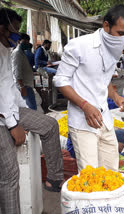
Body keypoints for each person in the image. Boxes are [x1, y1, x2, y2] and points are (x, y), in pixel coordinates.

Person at [53, 4, 124, 172]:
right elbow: (60, 80)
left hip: (105, 120)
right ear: (106, 26)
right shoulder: (78, 46)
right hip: (82, 124)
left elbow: (103, 80)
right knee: (91, 177)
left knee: (112, 173)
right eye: (120, 33)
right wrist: (85, 105)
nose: (123, 39)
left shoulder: (115, 49)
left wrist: (116, 97)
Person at [0, 8, 64, 214]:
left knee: (50, 125)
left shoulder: (6, 50)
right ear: (2, 29)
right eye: (14, 30)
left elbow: (9, 87)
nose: (18, 36)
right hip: (2, 118)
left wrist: (26, 113)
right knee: (10, 175)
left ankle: (54, 179)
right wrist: (13, 125)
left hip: (12, 109)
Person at [67, 88, 124, 158]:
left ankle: (114, 154)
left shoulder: (97, 101)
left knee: (121, 135)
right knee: (123, 157)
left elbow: (114, 102)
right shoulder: (80, 109)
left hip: (97, 136)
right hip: (83, 146)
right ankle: (114, 155)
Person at [11, 33, 37, 110]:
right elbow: (17, 71)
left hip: (26, 85)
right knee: (31, 108)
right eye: (24, 42)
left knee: (31, 107)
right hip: (24, 85)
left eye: (27, 42)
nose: (26, 44)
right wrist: (22, 87)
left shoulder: (22, 52)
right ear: (18, 41)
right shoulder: (17, 53)